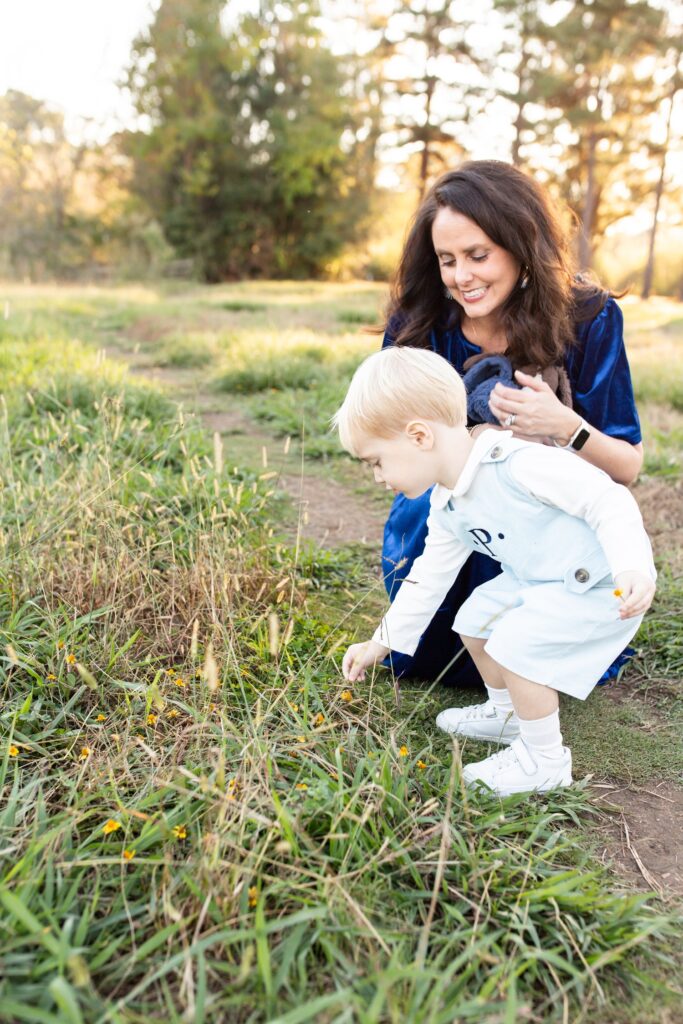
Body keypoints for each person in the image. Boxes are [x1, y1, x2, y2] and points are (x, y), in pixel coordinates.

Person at [334, 347, 656, 796]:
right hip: (539, 581)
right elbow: (428, 578)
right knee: (475, 619)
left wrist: (631, 567)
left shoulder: (515, 463)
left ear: (419, 436)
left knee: (515, 643)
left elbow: (608, 499)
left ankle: (544, 759)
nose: (377, 477)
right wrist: (382, 641)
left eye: (377, 461)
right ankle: (506, 714)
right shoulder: (447, 502)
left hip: (598, 583)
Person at [380, 160, 643, 687]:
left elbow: (627, 468)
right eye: (447, 260)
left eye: (479, 256)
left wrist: (565, 426)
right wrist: (478, 442)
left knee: (523, 651)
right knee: (427, 661)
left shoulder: (588, 319)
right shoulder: (420, 324)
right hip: (449, 517)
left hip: (544, 517)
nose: (461, 277)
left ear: (521, 245)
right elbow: (394, 448)